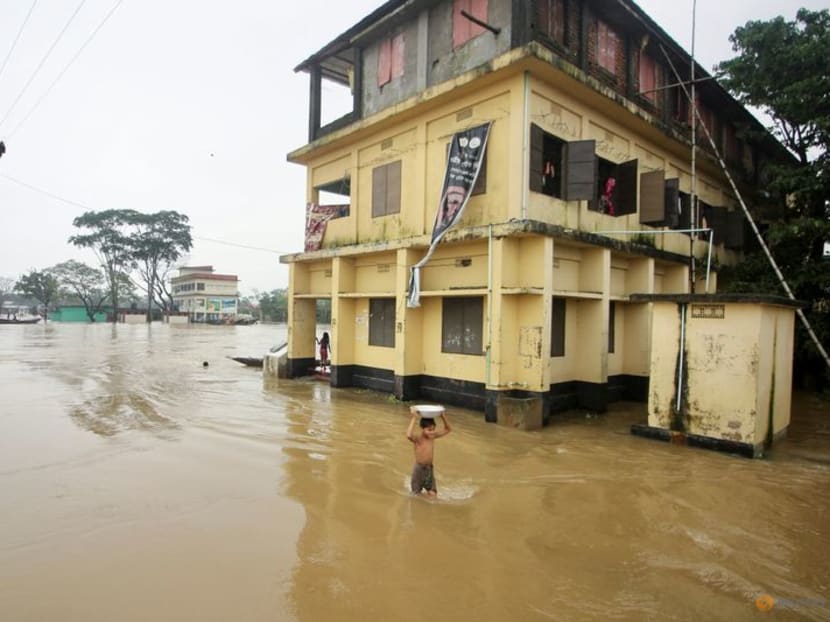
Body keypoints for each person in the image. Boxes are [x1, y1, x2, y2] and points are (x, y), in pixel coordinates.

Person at [406, 408, 451, 497]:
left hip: (429, 469)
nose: (432, 432)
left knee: (433, 495)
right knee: (415, 495)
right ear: (422, 428)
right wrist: (414, 418)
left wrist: (443, 416)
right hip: (419, 469)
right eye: (429, 429)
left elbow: (448, 429)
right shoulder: (418, 439)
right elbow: (409, 435)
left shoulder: (432, 436)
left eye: (433, 429)